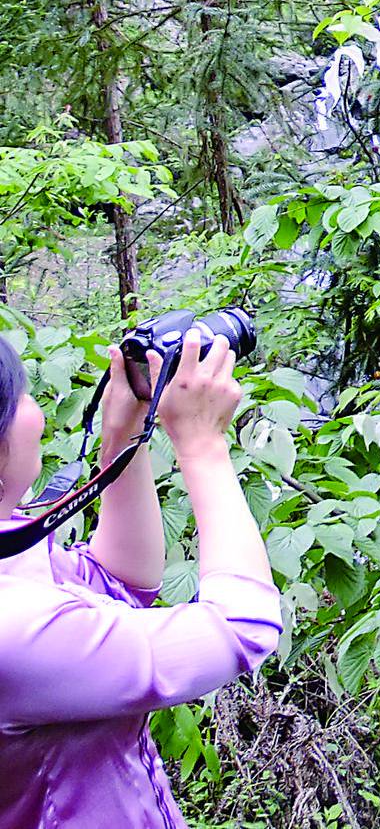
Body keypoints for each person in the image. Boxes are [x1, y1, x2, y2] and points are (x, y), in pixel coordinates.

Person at [0, 330, 282, 828]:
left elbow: (118, 580)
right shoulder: (13, 632)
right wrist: (202, 446)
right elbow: (244, 626)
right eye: (21, 396)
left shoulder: (10, 555)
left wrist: (123, 436)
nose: (35, 409)